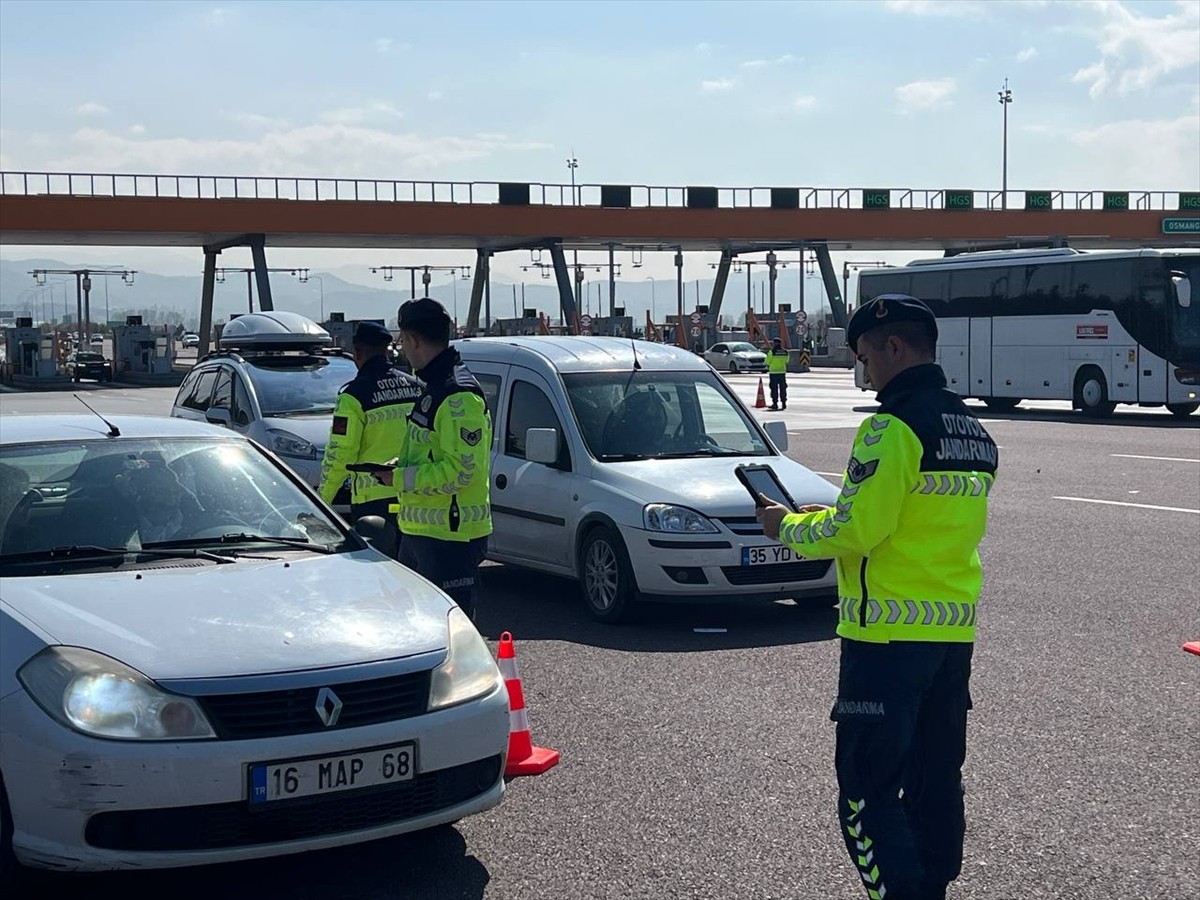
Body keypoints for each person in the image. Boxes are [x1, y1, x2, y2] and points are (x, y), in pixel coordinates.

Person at [755, 294, 998, 900]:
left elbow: (859, 531)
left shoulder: (889, 428)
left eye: (864, 360)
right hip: (950, 635)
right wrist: (836, 513)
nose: (865, 374)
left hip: (884, 640)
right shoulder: (974, 432)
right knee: (935, 779)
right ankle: (932, 887)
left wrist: (785, 526)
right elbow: (912, 520)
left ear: (894, 348)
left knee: (864, 793)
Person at [382, 298, 492, 619]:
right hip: (424, 532)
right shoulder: (434, 386)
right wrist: (397, 469)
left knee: (449, 634)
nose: (402, 349)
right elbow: (430, 453)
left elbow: (462, 472)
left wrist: (399, 479)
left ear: (414, 340)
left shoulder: (457, 395)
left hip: (450, 538)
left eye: (403, 341)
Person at [319, 321, 422, 558]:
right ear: (387, 350)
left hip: (373, 503)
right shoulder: (415, 386)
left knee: (380, 573)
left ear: (356, 354)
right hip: (413, 494)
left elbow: (339, 454)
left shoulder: (354, 396)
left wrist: (321, 501)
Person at [766, 336, 789, 410]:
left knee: (774, 389)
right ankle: (784, 403)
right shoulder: (785, 352)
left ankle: (775, 404)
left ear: (774, 343)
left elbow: (767, 361)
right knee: (783, 388)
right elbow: (787, 361)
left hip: (773, 373)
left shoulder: (772, 352)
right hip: (782, 372)